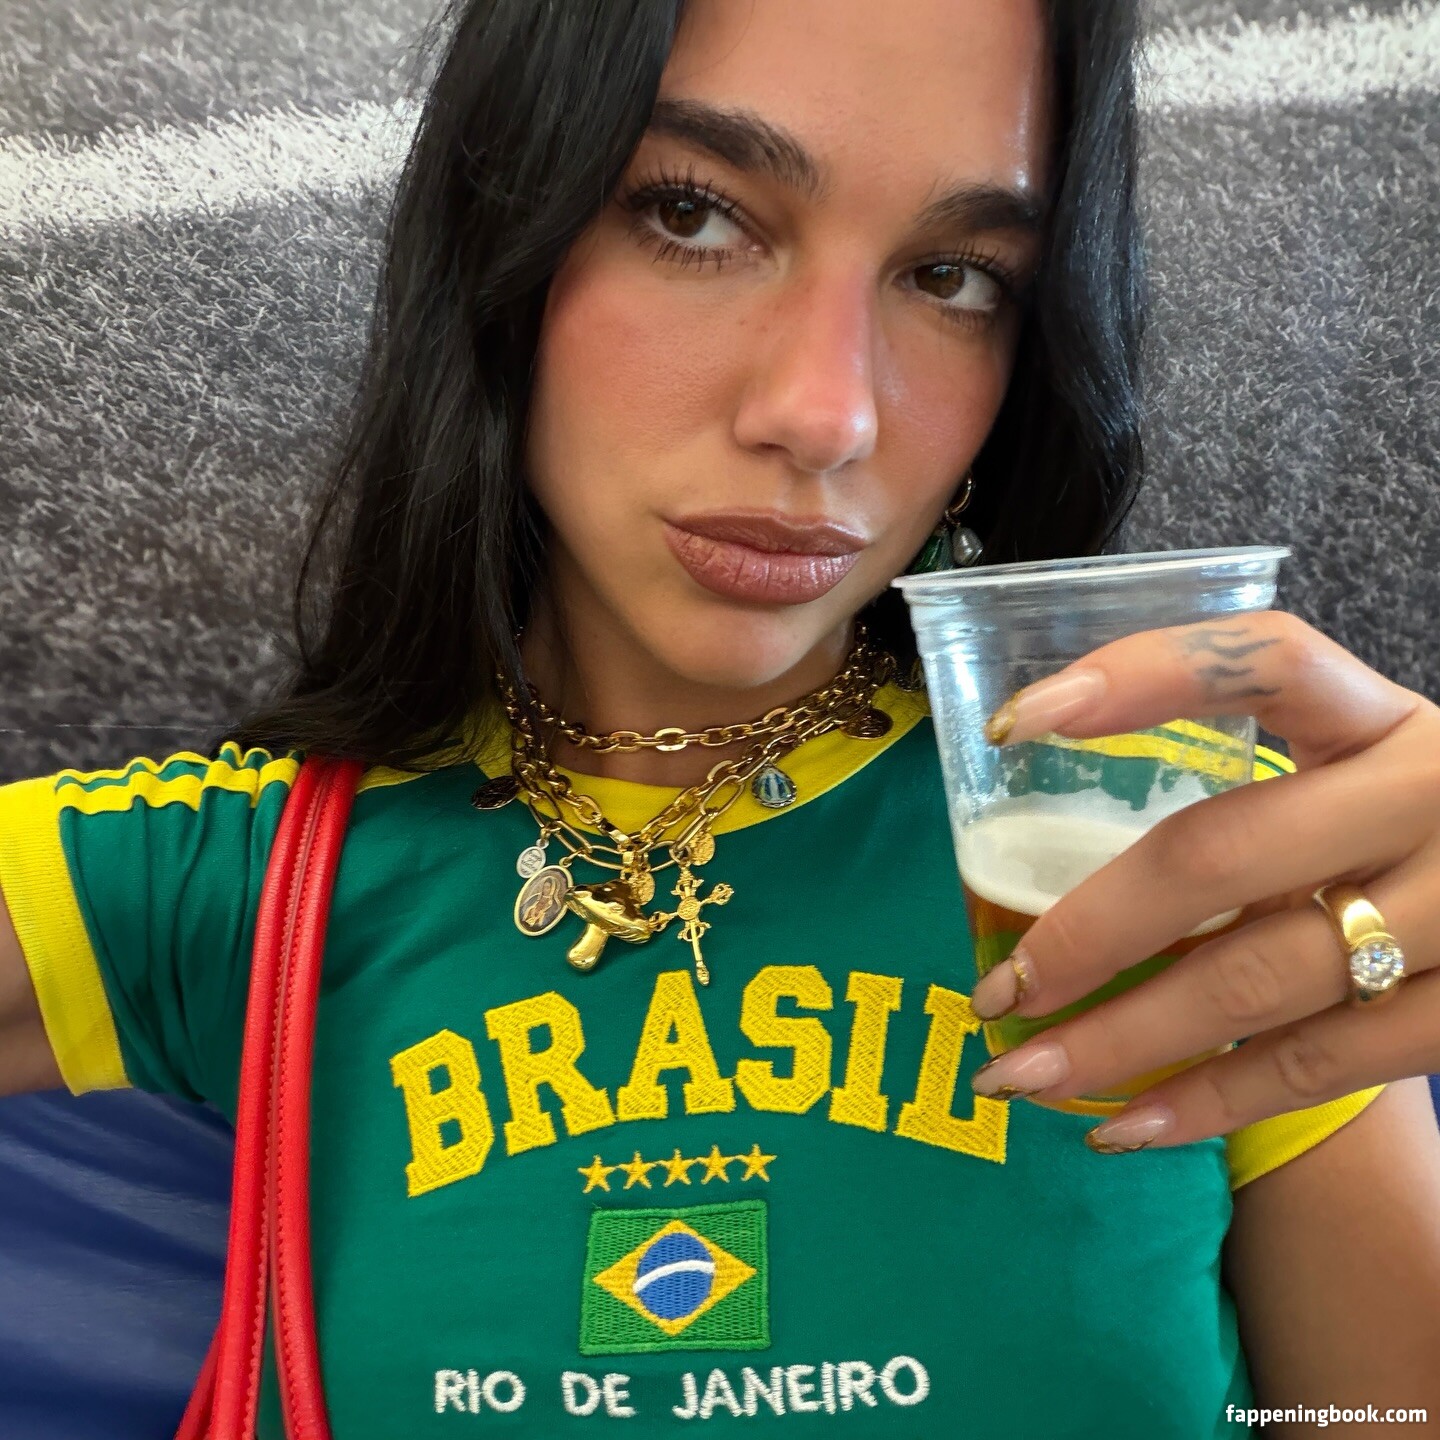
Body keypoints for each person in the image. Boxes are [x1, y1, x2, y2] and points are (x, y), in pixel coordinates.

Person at [1, 0, 1438, 1435]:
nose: (827, 414)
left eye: (952, 275)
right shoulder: (245, 878)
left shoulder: (1182, 854)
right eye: (691, 215)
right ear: (503, 243)